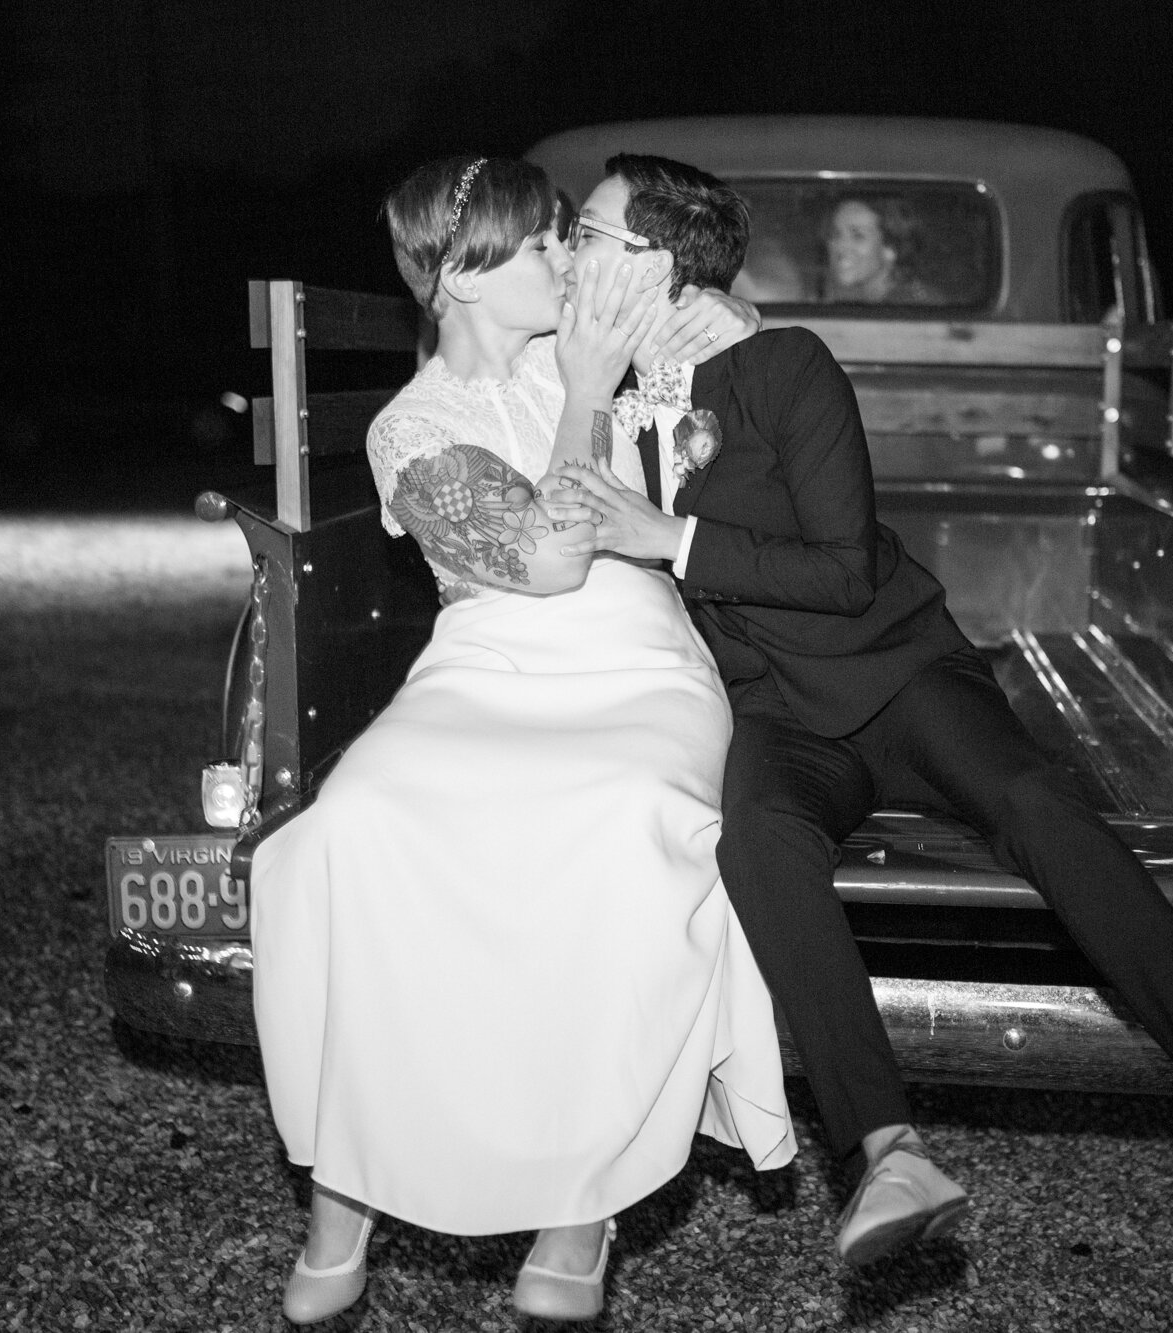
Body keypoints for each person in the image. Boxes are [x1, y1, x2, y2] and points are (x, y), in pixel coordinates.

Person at [554, 153, 1173, 1268]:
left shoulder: (785, 365)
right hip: (770, 715)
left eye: (591, 236)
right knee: (758, 839)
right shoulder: (580, 382)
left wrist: (671, 537)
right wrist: (585, 385)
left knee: (1031, 800)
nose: (569, 252)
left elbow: (845, 567)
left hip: (897, 670)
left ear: (656, 264)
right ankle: (887, 1152)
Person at [248, 154, 795, 1326]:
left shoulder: (589, 348)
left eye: (564, 237)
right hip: (489, 657)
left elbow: (743, 341)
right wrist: (590, 393)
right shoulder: (410, 426)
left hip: (637, 660)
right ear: (458, 278)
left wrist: (706, 314)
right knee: (356, 828)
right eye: (541, 245)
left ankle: (576, 1205)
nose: (566, 260)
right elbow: (544, 564)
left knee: (621, 825)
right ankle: (345, 1194)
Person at [824, 195, 936, 304]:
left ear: (891, 248)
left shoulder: (915, 309)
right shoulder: (861, 301)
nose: (840, 245)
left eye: (858, 236)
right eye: (835, 234)